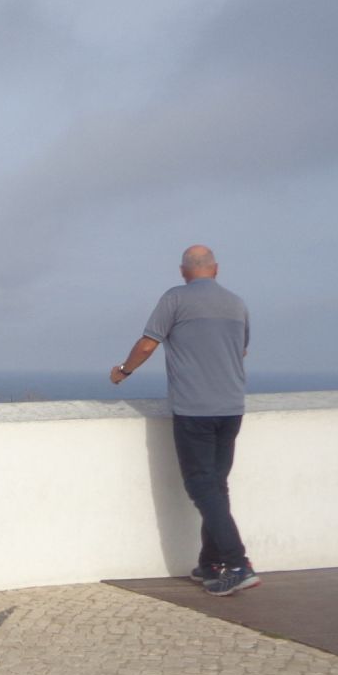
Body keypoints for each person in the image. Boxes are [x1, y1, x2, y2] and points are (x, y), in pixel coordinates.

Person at [110, 245, 258, 596]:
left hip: (195, 408)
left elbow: (147, 345)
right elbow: (242, 350)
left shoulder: (175, 299)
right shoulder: (237, 303)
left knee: (200, 486)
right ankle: (210, 563)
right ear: (216, 269)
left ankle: (238, 563)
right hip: (231, 406)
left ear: (183, 272)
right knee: (216, 486)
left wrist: (123, 372)